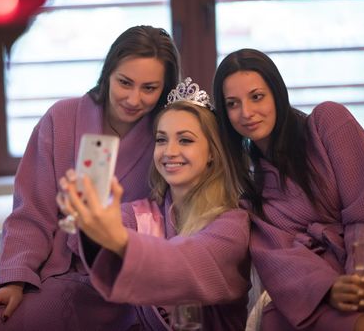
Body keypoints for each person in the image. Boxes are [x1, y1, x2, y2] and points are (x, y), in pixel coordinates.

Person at [0, 25, 181, 331]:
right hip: (57, 274)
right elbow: (31, 210)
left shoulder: (165, 137)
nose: (134, 99)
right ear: (108, 72)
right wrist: (14, 280)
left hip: (124, 282)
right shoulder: (61, 119)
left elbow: (172, 217)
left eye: (149, 88)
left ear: (164, 88)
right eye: (125, 82)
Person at [212, 48, 364, 331]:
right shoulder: (250, 193)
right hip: (320, 292)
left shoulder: (328, 123)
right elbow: (278, 255)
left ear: (277, 94)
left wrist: (361, 279)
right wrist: (329, 288)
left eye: (257, 97)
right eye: (232, 103)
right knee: (273, 319)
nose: (246, 113)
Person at [58, 77, 251, 330]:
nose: (169, 151)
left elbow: (184, 265)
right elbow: (84, 243)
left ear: (212, 152)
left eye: (185, 140)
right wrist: (86, 213)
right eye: (161, 139)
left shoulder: (233, 225)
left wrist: (118, 240)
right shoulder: (142, 214)